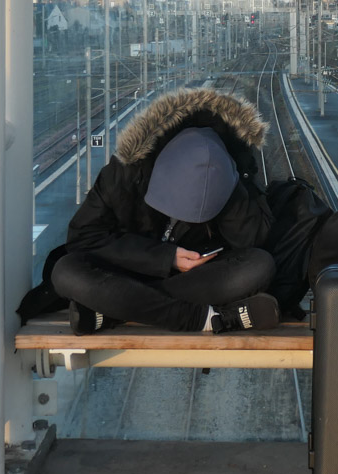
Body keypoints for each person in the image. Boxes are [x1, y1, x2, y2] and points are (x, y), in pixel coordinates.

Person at [51, 87, 279, 333]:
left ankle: (113, 313)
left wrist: (232, 182)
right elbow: (82, 239)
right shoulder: (127, 172)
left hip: (189, 281)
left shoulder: (235, 170)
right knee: (65, 271)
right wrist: (165, 257)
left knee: (259, 266)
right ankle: (205, 319)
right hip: (126, 273)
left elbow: (253, 241)